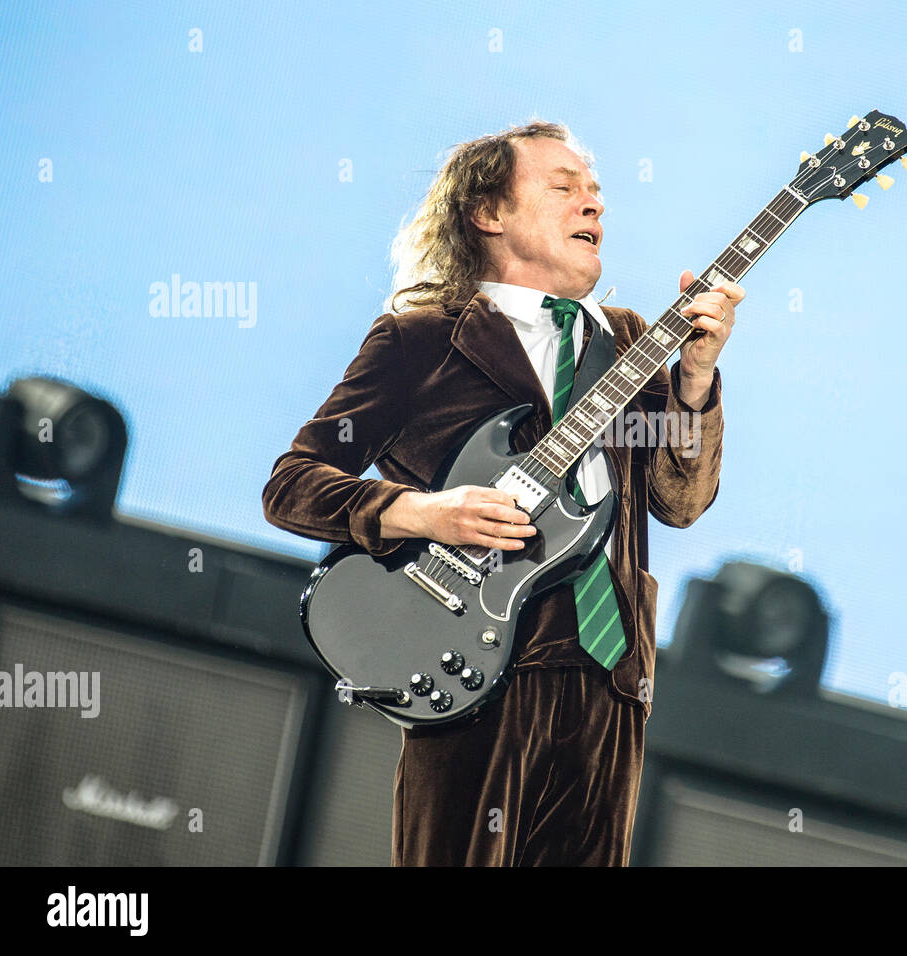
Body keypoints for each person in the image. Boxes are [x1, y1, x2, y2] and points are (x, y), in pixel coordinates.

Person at [261, 120, 742, 865]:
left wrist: (697, 379)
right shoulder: (421, 341)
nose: (594, 206)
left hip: (608, 681)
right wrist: (423, 512)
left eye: (598, 194)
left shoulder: (632, 342)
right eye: (565, 188)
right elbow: (291, 484)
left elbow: (681, 501)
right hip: (474, 663)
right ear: (489, 212)